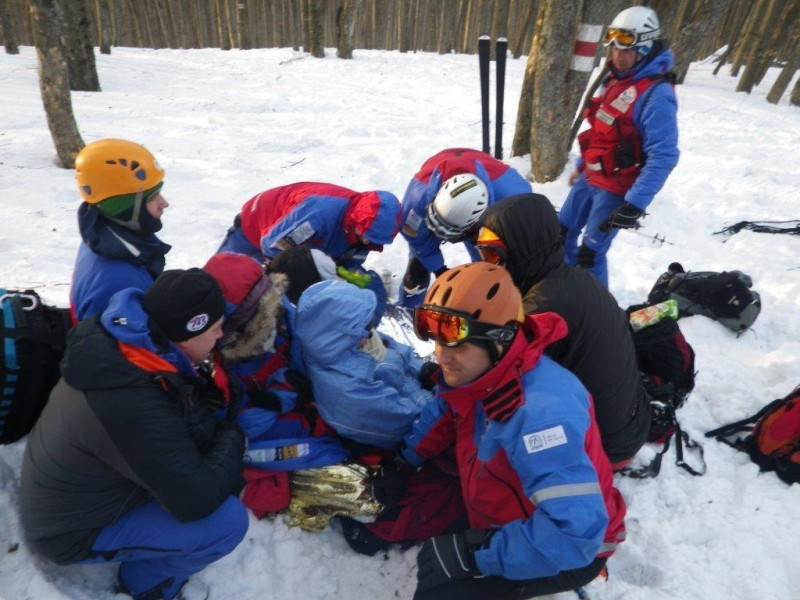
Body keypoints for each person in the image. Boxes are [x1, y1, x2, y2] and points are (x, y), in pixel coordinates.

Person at [375, 263, 626, 599]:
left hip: (571, 548)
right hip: (501, 505)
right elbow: (445, 408)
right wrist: (404, 463)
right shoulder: (477, 374)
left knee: (439, 588)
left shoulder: (541, 416)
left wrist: (476, 554)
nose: (442, 356)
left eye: (457, 345)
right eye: (436, 341)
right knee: (395, 519)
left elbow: (576, 535)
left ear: (500, 339)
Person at [20, 269, 248, 600]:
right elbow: (197, 499)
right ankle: (146, 585)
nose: (220, 336)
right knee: (226, 523)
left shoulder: (127, 346)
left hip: (80, 485)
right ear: (186, 335)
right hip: (68, 530)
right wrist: (235, 438)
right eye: (214, 329)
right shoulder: (133, 401)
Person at [477, 193, 650, 468]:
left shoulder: (540, 309)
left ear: (523, 248)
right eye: (481, 254)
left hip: (604, 447)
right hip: (633, 420)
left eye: (493, 254)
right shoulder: (573, 278)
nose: (486, 265)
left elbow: (492, 379)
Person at [561, 6, 679, 288]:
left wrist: (635, 203)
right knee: (560, 232)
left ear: (645, 47)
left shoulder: (656, 94)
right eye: (613, 47)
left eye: (626, 49)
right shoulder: (614, 79)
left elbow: (664, 155)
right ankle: (561, 290)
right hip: (591, 178)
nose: (617, 55)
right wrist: (581, 166)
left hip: (616, 188)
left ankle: (594, 314)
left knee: (590, 253)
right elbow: (601, 131)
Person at [295, 279, 434, 449]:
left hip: (423, 390)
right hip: (425, 424)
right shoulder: (348, 395)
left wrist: (424, 370)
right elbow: (411, 421)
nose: (371, 330)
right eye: (365, 327)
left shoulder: (350, 337)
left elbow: (397, 349)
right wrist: (435, 393)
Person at [398, 147, 532, 307]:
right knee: (416, 275)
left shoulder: (513, 201)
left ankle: (482, 309)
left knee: (488, 270)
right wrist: (439, 269)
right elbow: (417, 239)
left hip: (492, 191)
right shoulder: (416, 200)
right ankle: (409, 305)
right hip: (442, 166)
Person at [70, 138, 172, 322]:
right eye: (152, 198)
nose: (164, 204)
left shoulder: (104, 238)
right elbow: (131, 349)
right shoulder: (119, 284)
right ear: (124, 208)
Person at [216, 182, 401, 269]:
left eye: (374, 239)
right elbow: (274, 247)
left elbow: (347, 264)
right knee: (223, 278)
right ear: (356, 221)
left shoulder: (366, 234)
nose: (369, 242)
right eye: (367, 234)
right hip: (255, 227)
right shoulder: (319, 214)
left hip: (301, 243)